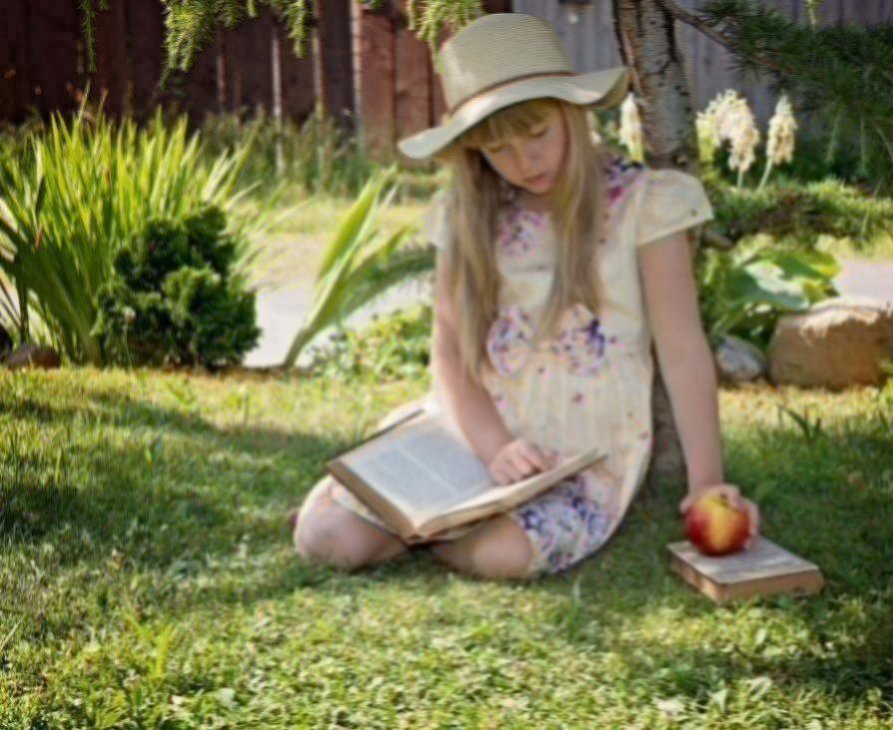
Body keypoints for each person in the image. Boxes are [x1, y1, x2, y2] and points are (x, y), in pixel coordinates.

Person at [290, 12, 760, 579]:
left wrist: (707, 481)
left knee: (503, 555)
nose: (523, 161)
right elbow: (450, 355)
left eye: (537, 135)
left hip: (578, 456)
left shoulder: (644, 204)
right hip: (476, 433)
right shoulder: (470, 217)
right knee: (323, 538)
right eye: (498, 149)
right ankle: (424, 521)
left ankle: (430, 535)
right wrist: (494, 449)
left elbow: (683, 348)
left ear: (571, 112)